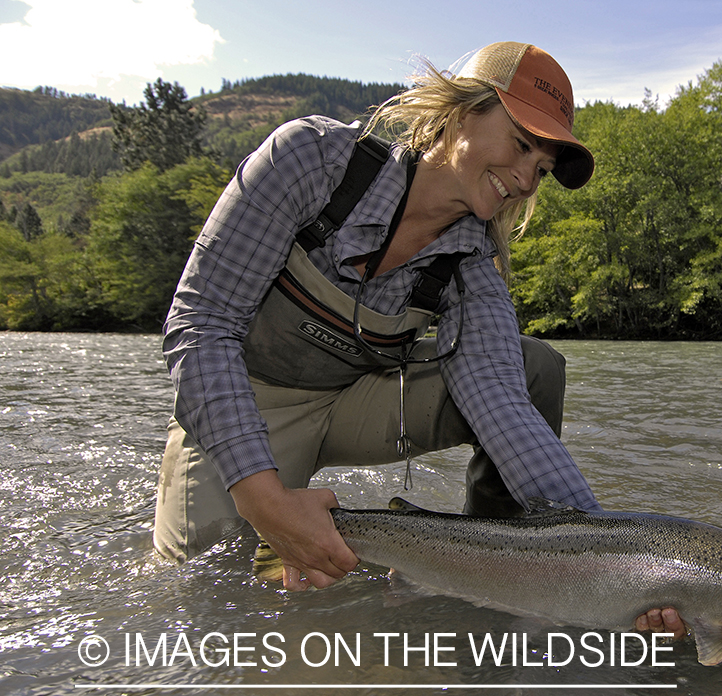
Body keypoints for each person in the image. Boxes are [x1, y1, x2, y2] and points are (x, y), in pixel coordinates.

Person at [153, 41, 683, 638]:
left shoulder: (472, 263)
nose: (526, 177)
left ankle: (503, 570)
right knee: (200, 600)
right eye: (521, 143)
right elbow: (200, 323)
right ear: (461, 113)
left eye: (541, 167)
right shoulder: (310, 159)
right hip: (250, 401)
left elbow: (498, 399)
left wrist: (608, 561)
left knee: (535, 370)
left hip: (356, 400)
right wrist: (265, 501)